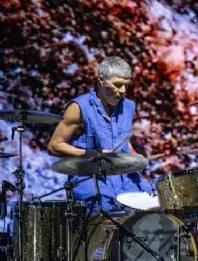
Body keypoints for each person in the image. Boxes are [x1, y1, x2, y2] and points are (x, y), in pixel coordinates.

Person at [48, 56, 150, 211]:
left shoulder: (129, 106)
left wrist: (135, 157)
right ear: (101, 80)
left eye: (126, 86)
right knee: (104, 213)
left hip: (124, 179)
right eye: (117, 85)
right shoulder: (79, 107)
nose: (122, 91)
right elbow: (54, 146)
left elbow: (121, 140)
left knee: (152, 202)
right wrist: (93, 154)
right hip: (92, 180)